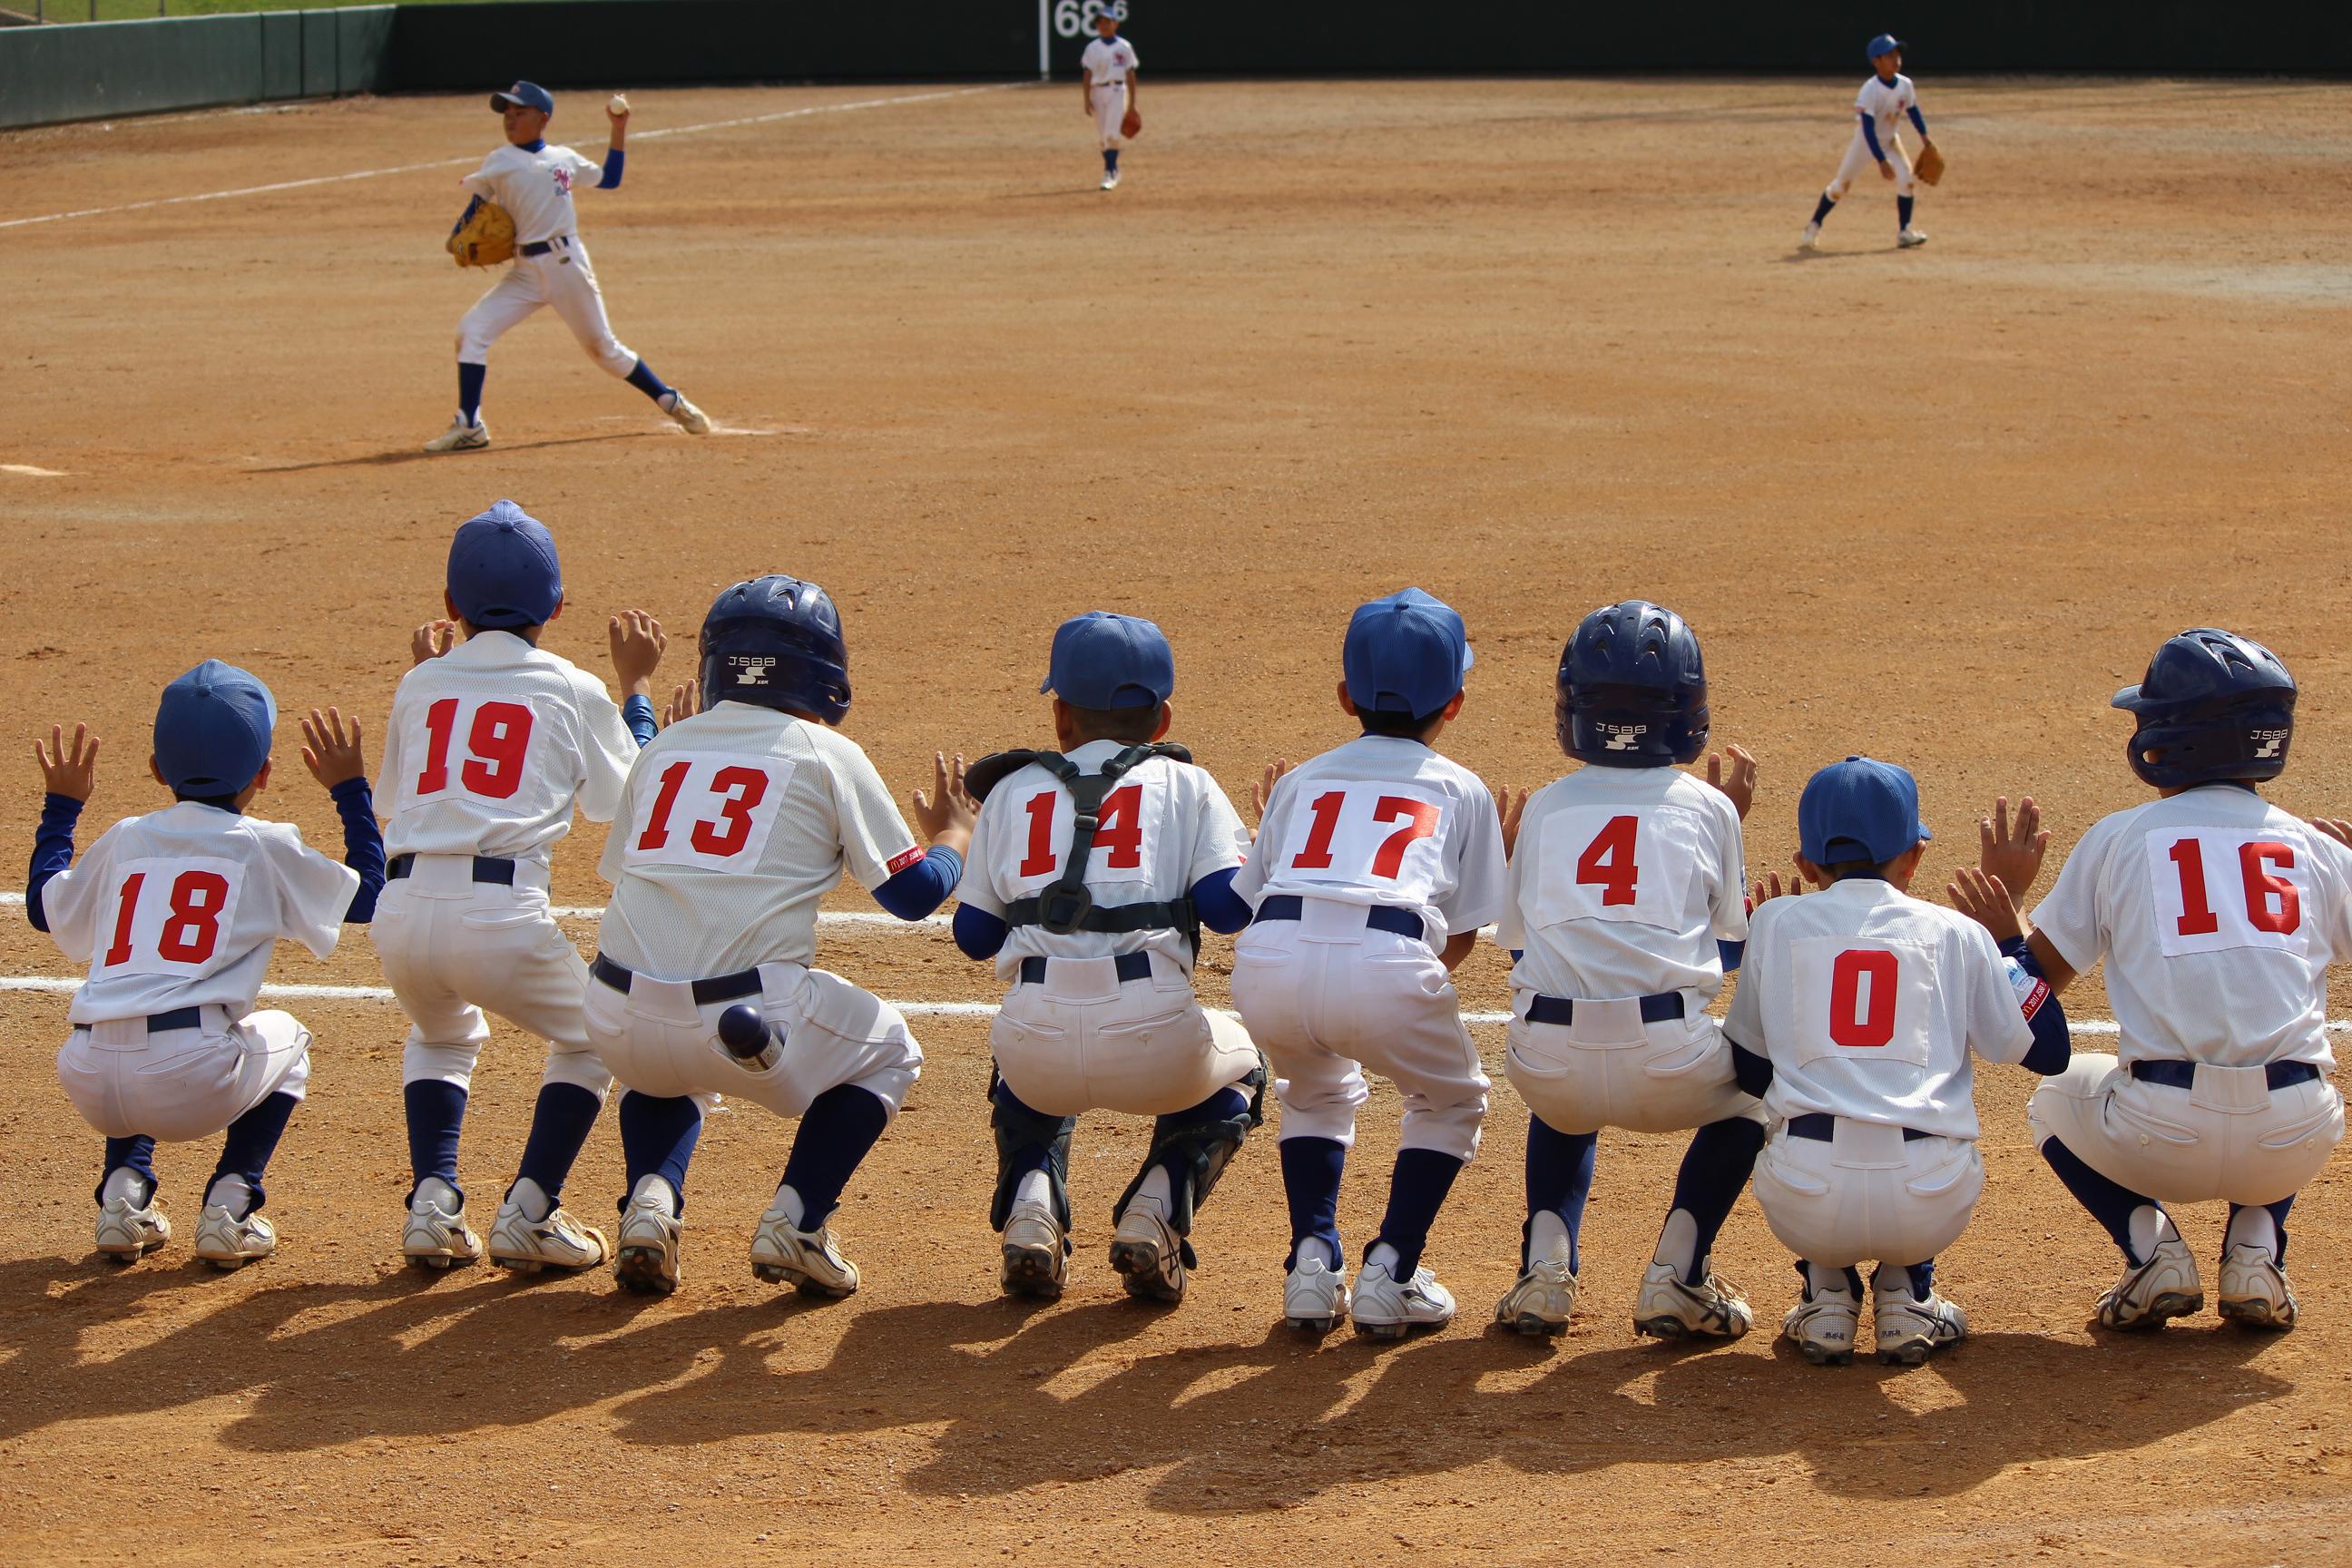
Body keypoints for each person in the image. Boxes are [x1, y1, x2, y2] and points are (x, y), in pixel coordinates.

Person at [584, 575, 972, 1297]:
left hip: (614, 1019)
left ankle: (650, 1203)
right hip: (744, 1024)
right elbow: (912, 895)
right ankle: (798, 1222)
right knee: (891, 1049)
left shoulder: (664, 749)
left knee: (660, 1065)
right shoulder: (827, 753)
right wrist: (955, 837)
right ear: (824, 669)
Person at [1976, 629, 2348, 1332]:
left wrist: (2012, 911)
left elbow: (2036, 984)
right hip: (2292, 1143)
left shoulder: (2122, 836)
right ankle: (2256, 1251)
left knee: (2055, 1097)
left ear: (2173, 736)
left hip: (2160, 1135)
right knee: (2297, 1064)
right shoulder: (2315, 845)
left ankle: (2152, 1252)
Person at [373, 500, 665, 1274]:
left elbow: (390, 805)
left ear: (449, 607)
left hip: (399, 917)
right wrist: (635, 694)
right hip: (497, 916)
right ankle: (531, 1208)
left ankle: (433, 1205)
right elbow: (623, 802)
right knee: (597, 1035)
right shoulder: (570, 686)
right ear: (558, 607)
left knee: (440, 1034)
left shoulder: (418, 684)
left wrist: (430, 676)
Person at [951, 612, 1263, 1304]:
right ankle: (1156, 1208)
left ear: (1060, 715)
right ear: (1163, 719)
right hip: (1156, 1042)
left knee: (1019, 1054)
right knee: (1245, 1066)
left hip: (1036, 1051)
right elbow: (1227, 910)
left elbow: (973, 937)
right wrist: (1264, 850)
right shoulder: (1190, 785)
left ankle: (1033, 1205)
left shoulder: (1009, 791)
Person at [28, 664, 384, 1269]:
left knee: (137, 995)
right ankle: (231, 1203)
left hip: (86, 1074)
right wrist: (350, 791)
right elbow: (370, 895)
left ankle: (124, 1192)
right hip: (189, 1080)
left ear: (157, 770)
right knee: (291, 1041)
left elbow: (43, 907)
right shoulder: (263, 842)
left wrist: (61, 809)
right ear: (264, 774)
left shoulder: (125, 835)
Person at [1728, 756, 2070, 1365]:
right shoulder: (1955, 931)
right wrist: (2010, 941)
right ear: (1913, 857)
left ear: (1807, 865)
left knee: (1785, 1110)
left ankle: (1827, 1294)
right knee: (1922, 1113)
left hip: (1806, 1204)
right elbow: (2049, 1050)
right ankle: (1909, 1296)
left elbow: (1749, 1072)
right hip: (1927, 1203)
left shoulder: (1777, 922)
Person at [1231, 588, 1507, 1338]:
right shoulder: (1463, 788)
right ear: (1455, 702)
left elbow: (1252, 895)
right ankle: (1394, 1269)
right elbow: (1460, 939)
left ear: (1346, 696)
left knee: (1314, 1091)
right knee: (1450, 1102)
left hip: (1268, 962)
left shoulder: (1302, 779)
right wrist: (1387, 987)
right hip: (1387, 958)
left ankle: (1311, 1270)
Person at [1490, 601, 1766, 1342]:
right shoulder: (1711, 809)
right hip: (1669, 1064)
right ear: (1688, 709)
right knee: (1760, 1101)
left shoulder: (1545, 808)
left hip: (1544, 1062)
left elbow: (1521, 949)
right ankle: (1679, 1274)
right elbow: (1731, 952)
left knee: (1561, 1099)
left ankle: (1544, 1273)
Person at [426, 81, 710, 452]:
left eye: (520, 112)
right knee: (471, 332)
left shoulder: (565, 159)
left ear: (542, 118)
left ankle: (670, 400)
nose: (510, 119)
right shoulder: (499, 160)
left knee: (604, 350)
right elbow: (477, 205)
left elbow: (610, 179)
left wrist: (618, 130)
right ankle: (469, 425)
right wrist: (459, 236)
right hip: (524, 272)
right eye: (507, 114)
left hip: (566, 265)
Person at [1799, 34, 1936, 250]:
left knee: (1907, 179)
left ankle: (1904, 232)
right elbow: (1868, 129)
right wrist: (1881, 160)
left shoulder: (1905, 85)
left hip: (1890, 141)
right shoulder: (1869, 90)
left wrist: (1925, 138)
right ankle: (1813, 225)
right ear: (1876, 61)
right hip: (1865, 143)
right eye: (1889, 55)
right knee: (1840, 187)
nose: (1896, 58)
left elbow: (1913, 110)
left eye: (1897, 53)